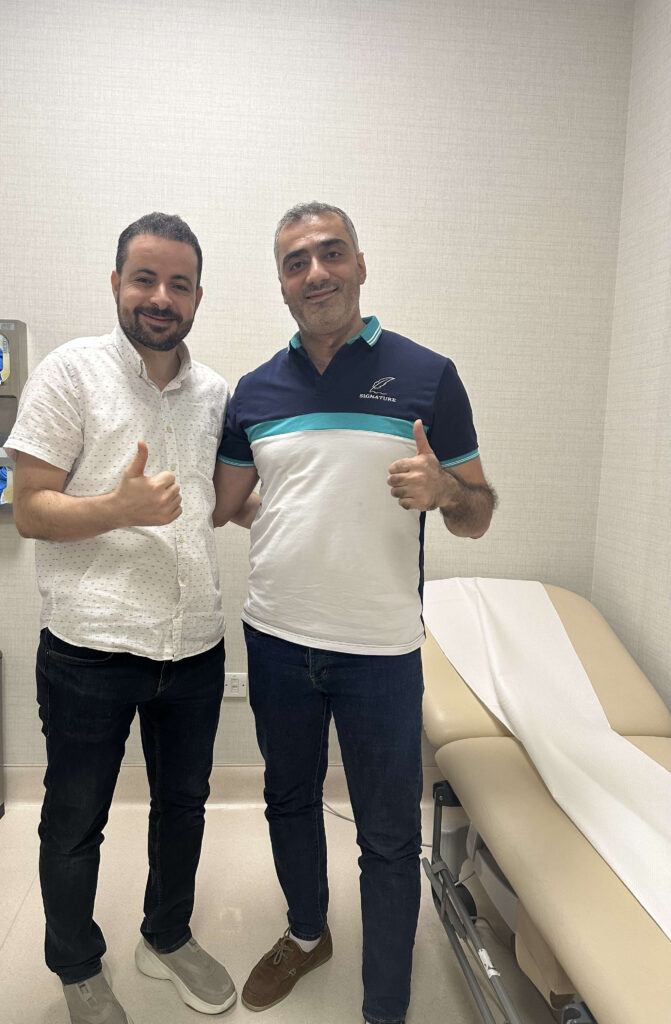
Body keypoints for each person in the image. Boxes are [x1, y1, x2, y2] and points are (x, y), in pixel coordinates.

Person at [213, 201, 497, 1024]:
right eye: (295, 262)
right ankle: (307, 935)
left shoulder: (427, 375)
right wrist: (293, 516)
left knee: (387, 835)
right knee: (288, 801)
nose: (315, 273)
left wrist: (444, 490)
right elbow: (229, 502)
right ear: (280, 284)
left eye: (330, 254)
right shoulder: (255, 391)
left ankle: (384, 1005)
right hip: (275, 640)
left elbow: (477, 513)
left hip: (379, 651)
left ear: (360, 266)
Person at [6, 212, 254, 1024]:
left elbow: (225, 502)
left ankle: (167, 935)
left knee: (184, 807)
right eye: (144, 278)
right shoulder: (70, 374)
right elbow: (31, 510)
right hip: (90, 650)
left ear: (198, 296)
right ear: (116, 283)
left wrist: (304, 510)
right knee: (75, 821)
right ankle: (77, 966)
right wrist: (118, 507)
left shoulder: (215, 393)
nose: (160, 297)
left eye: (179, 283)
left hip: (193, 645)